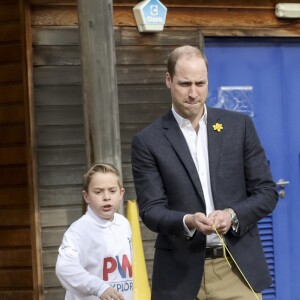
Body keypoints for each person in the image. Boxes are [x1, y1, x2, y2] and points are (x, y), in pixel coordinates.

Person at [131, 45, 278, 300]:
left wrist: (232, 215)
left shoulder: (239, 127)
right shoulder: (148, 141)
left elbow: (266, 192)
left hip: (236, 269)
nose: (193, 93)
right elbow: (151, 210)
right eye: (185, 84)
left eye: (200, 83)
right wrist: (187, 221)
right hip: (179, 275)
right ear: (168, 80)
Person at [56, 163, 133, 300]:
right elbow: (65, 268)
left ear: (121, 193)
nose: (106, 197)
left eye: (112, 190)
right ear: (86, 196)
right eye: (98, 192)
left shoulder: (124, 224)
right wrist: (99, 287)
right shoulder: (78, 231)